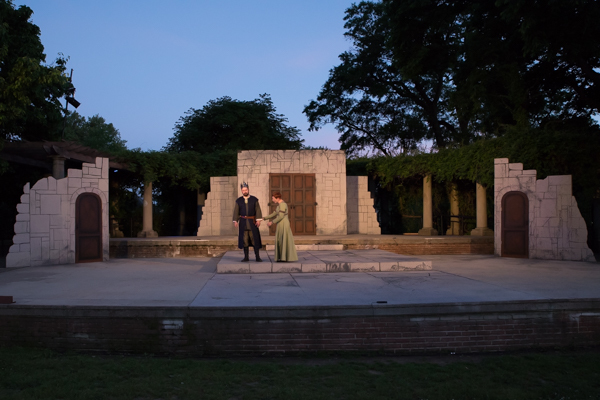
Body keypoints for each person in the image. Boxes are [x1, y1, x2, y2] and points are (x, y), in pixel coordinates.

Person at [233, 182, 263, 262]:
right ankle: (246, 257)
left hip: (252, 223)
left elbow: (258, 210)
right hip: (243, 223)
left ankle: (257, 257)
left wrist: (258, 220)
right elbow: (236, 211)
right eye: (243, 190)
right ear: (241, 191)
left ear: (248, 190)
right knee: (244, 240)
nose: (245, 191)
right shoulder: (239, 201)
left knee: (254, 240)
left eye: (246, 190)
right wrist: (235, 220)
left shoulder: (254, 199)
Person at [264, 192, 298, 262]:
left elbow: (281, 216)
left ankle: (284, 257)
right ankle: (281, 257)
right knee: (280, 239)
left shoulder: (283, 205)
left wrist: (272, 222)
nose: (272, 200)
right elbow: (274, 213)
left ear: (277, 198)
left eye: (273, 198)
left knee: (284, 239)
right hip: (280, 224)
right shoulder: (279, 205)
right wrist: (264, 218)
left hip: (283, 224)